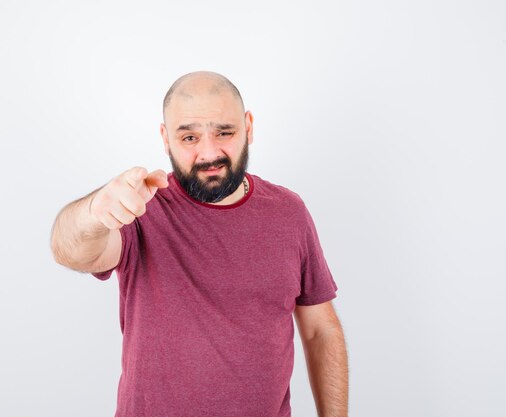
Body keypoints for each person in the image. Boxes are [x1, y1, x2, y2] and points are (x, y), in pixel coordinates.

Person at [50, 71, 348, 417]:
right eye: (189, 137)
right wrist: (93, 212)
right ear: (165, 139)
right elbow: (68, 250)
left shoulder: (289, 212)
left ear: (248, 127)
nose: (209, 153)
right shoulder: (141, 209)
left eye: (224, 132)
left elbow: (320, 330)